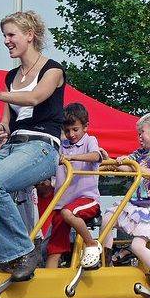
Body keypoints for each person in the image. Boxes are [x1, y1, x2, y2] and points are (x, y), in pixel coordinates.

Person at [0, 11, 64, 281]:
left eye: (11, 35)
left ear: (29, 36)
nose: (6, 41)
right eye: (4, 36)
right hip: (15, 146)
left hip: (42, 146)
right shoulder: (10, 77)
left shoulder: (52, 69)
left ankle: (22, 251)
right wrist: (1, 128)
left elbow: (34, 98)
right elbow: (8, 121)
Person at [101, 112, 150, 298]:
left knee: (137, 246)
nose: (139, 137)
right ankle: (106, 260)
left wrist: (133, 166)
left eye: (141, 132)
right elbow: (128, 169)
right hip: (135, 206)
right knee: (107, 218)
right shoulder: (139, 154)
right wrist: (115, 162)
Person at [45, 103, 102, 269]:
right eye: (67, 130)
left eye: (75, 129)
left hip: (86, 199)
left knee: (68, 213)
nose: (71, 134)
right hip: (62, 203)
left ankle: (91, 244)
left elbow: (95, 155)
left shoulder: (89, 141)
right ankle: (46, 285)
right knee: (53, 249)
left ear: (85, 127)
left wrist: (73, 158)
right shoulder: (61, 146)